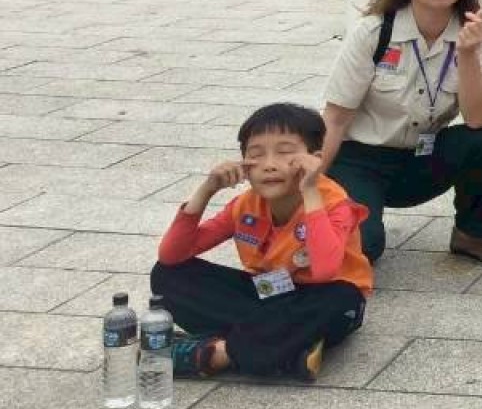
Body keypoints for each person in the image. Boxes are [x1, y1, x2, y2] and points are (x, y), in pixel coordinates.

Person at [319, 0, 482, 265]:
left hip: (422, 156)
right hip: (361, 160)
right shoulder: (374, 31)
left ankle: (473, 235)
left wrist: (467, 54)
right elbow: (335, 118)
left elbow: (478, 118)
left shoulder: (480, 34)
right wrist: (307, 186)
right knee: (364, 249)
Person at [150, 102, 371, 382]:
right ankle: (288, 349)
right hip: (269, 294)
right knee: (167, 274)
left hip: (320, 298)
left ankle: (218, 353)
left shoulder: (334, 203)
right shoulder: (245, 204)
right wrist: (207, 189)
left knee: (338, 299)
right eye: (256, 155)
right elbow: (172, 254)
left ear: (314, 159)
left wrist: (310, 189)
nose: (269, 165)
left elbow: (325, 270)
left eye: (285, 153)